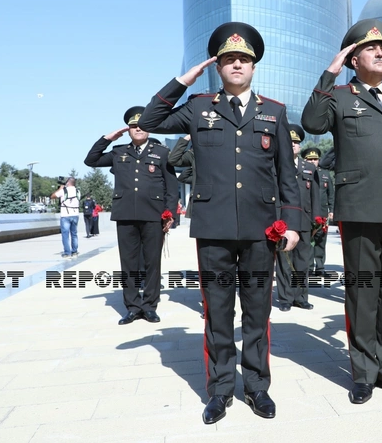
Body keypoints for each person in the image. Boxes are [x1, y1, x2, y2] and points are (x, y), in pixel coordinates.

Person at [138, 22, 301, 425]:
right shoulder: (198, 107)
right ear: (218, 67)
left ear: (254, 66)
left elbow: (287, 175)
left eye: (243, 59)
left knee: (257, 310)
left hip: (262, 229)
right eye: (229, 59)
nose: (237, 65)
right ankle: (221, 389)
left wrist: (293, 224)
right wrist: (184, 78)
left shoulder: (274, 112)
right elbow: (152, 118)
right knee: (219, 311)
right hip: (213, 229)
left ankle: (258, 386)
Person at [302, 19, 382, 405]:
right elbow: (311, 122)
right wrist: (330, 71)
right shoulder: (340, 96)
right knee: (362, 293)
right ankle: (363, 373)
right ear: (354, 58)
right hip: (359, 206)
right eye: (371, 49)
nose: (380, 53)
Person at [85, 106, 178, 324]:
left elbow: (171, 187)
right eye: (134, 126)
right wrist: (107, 138)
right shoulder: (118, 152)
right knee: (128, 263)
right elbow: (91, 160)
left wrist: (170, 214)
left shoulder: (161, 153)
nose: (138, 129)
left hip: (154, 215)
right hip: (126, 215)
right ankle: (133, 306)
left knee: (152, 263)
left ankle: (150, 305)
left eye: (143, 125)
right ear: (128, 130)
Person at [274, 124, 319, 312]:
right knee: (284, 262)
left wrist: (317, 219)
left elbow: (315, 196)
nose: (293, 145)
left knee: (303, 262)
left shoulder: (309, 168)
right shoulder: (275, 166)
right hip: (283, 222)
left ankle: (301, 297)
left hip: (304, 222)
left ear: (300, 146)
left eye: (296, 142)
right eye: (289, 142)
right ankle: (285, 298)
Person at [303, 147, 334, 277]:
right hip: (307, 213)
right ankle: (309, 268)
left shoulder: (325, 174)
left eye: (315, 159)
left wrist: (331, 210)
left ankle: (320, 267)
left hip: (322, 214)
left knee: (321, 240)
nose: (313, 161)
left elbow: (331, 194)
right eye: (310, 159)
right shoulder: (303, 172)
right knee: (309, 241)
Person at [52, 177, 81, 258]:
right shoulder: (78, 191)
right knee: (74, 234)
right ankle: (74, 251)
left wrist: (61, 188)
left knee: (65, 234)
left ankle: (67, 252)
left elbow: (53, 196)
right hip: (75, 215)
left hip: (65, 215)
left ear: (68, 183)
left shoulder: (63, 191)